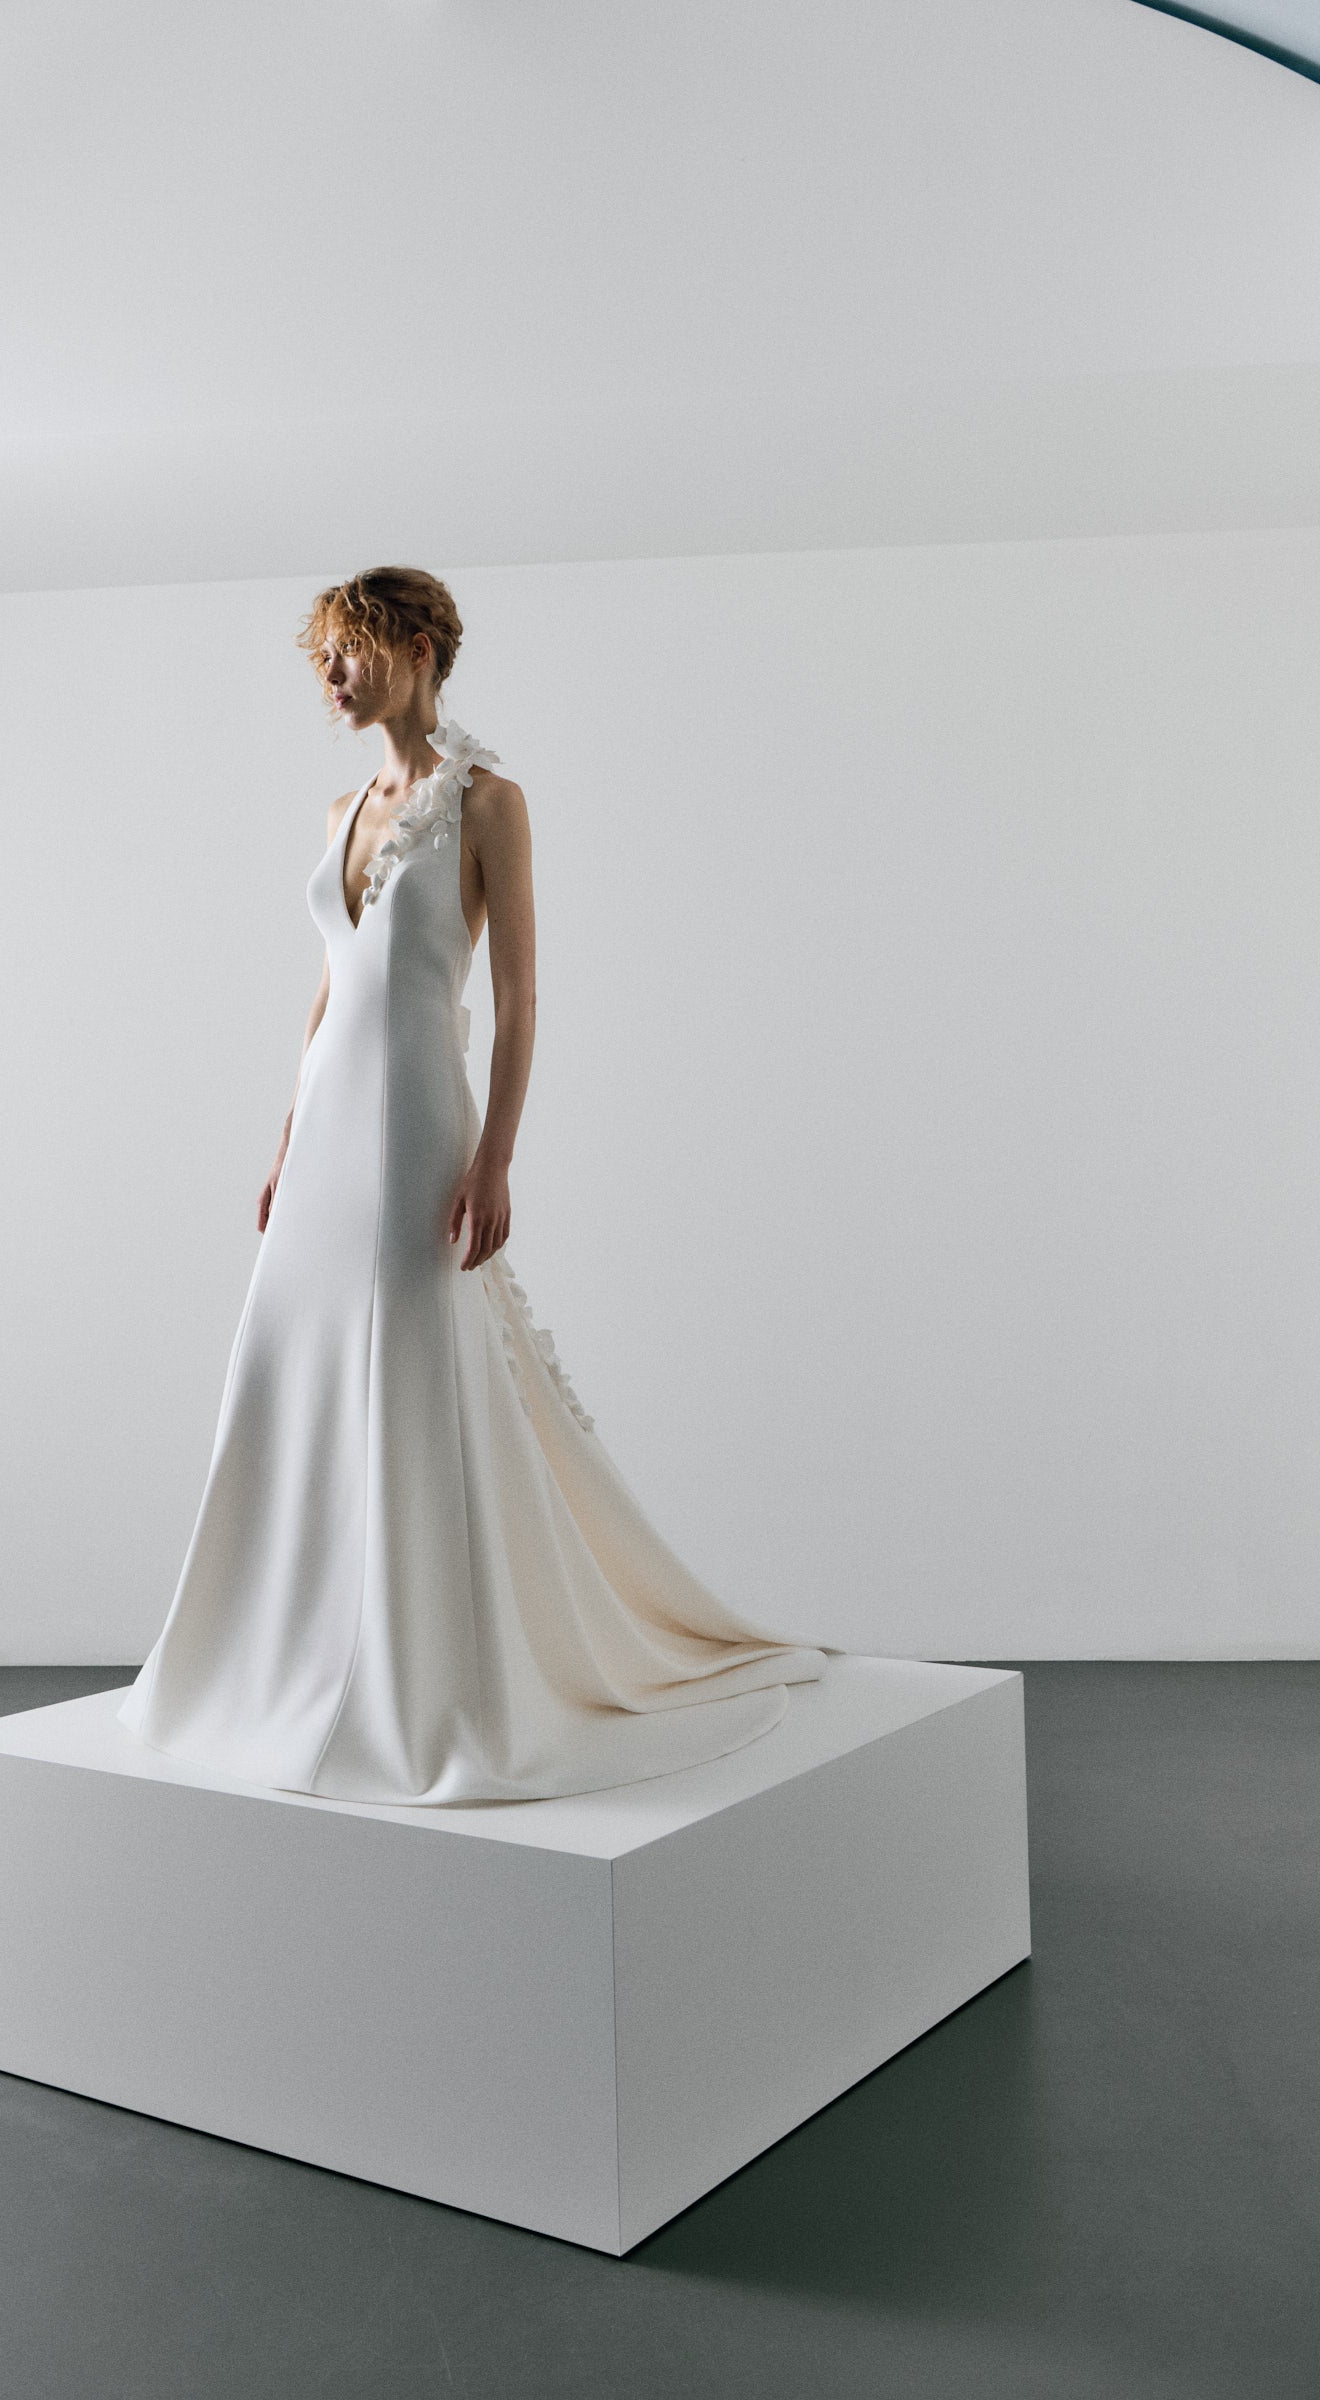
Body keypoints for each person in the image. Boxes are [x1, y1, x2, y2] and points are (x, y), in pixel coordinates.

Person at [117, 566, 825, 1803]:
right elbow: (332, 989)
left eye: (350, 651)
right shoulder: (342, 805)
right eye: (321, 659)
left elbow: (516, 997)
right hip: (330, 1134)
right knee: (294, 1368)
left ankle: (424, 1671)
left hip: (415, 1130)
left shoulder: (489, 803)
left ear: (423, 647)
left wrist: (496, 1153)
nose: (331, 676)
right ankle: (279, 1651)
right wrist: (288, 1136)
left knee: (413, 1363)